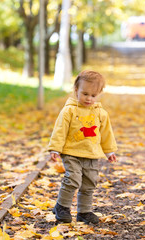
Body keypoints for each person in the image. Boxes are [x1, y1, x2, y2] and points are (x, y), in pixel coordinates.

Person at [48, 70, 118, 224]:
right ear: (76, 90)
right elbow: (60, 130)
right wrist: (55, 148)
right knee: (73, 178)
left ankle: (84, 212)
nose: (89, 98)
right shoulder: (69, 111)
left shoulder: (101, 114)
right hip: (71, 152)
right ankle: (62, 206)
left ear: (99, 94)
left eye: (93, 95)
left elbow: (106, 133)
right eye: (85, 94)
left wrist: (109, 151)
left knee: (89, 182)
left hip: (91, 154)